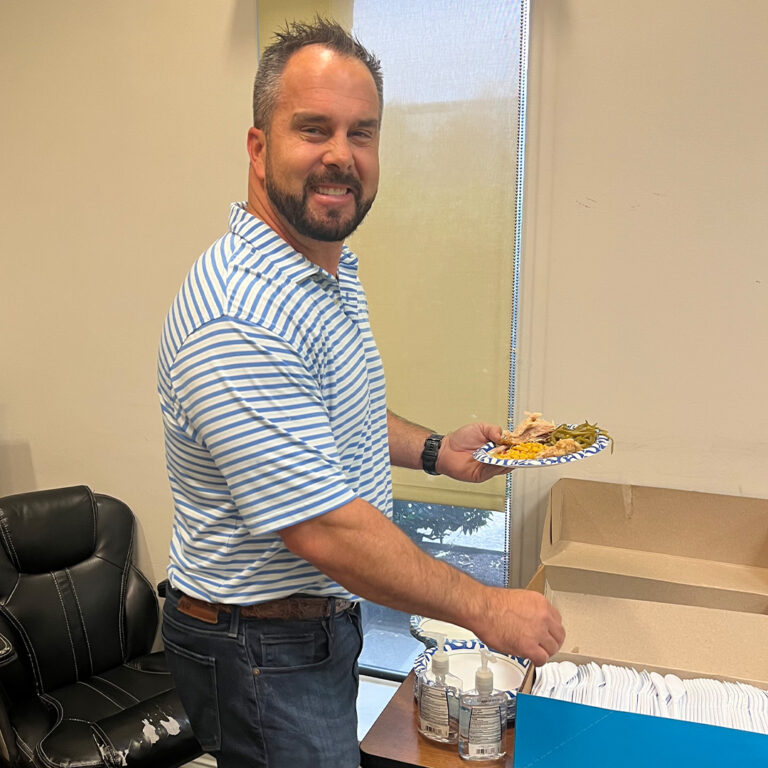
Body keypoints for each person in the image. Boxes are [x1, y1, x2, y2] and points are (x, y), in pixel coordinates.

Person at [157, 17, 564, 768]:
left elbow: (337, 415)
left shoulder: (329, 270)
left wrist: (439, 453)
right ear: (258, 147)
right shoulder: (237, 311)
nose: (341, 157)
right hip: (259, 648)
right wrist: (486, 607)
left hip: (311, 627)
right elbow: (325, 529)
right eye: (313, 129)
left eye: (362, 133)